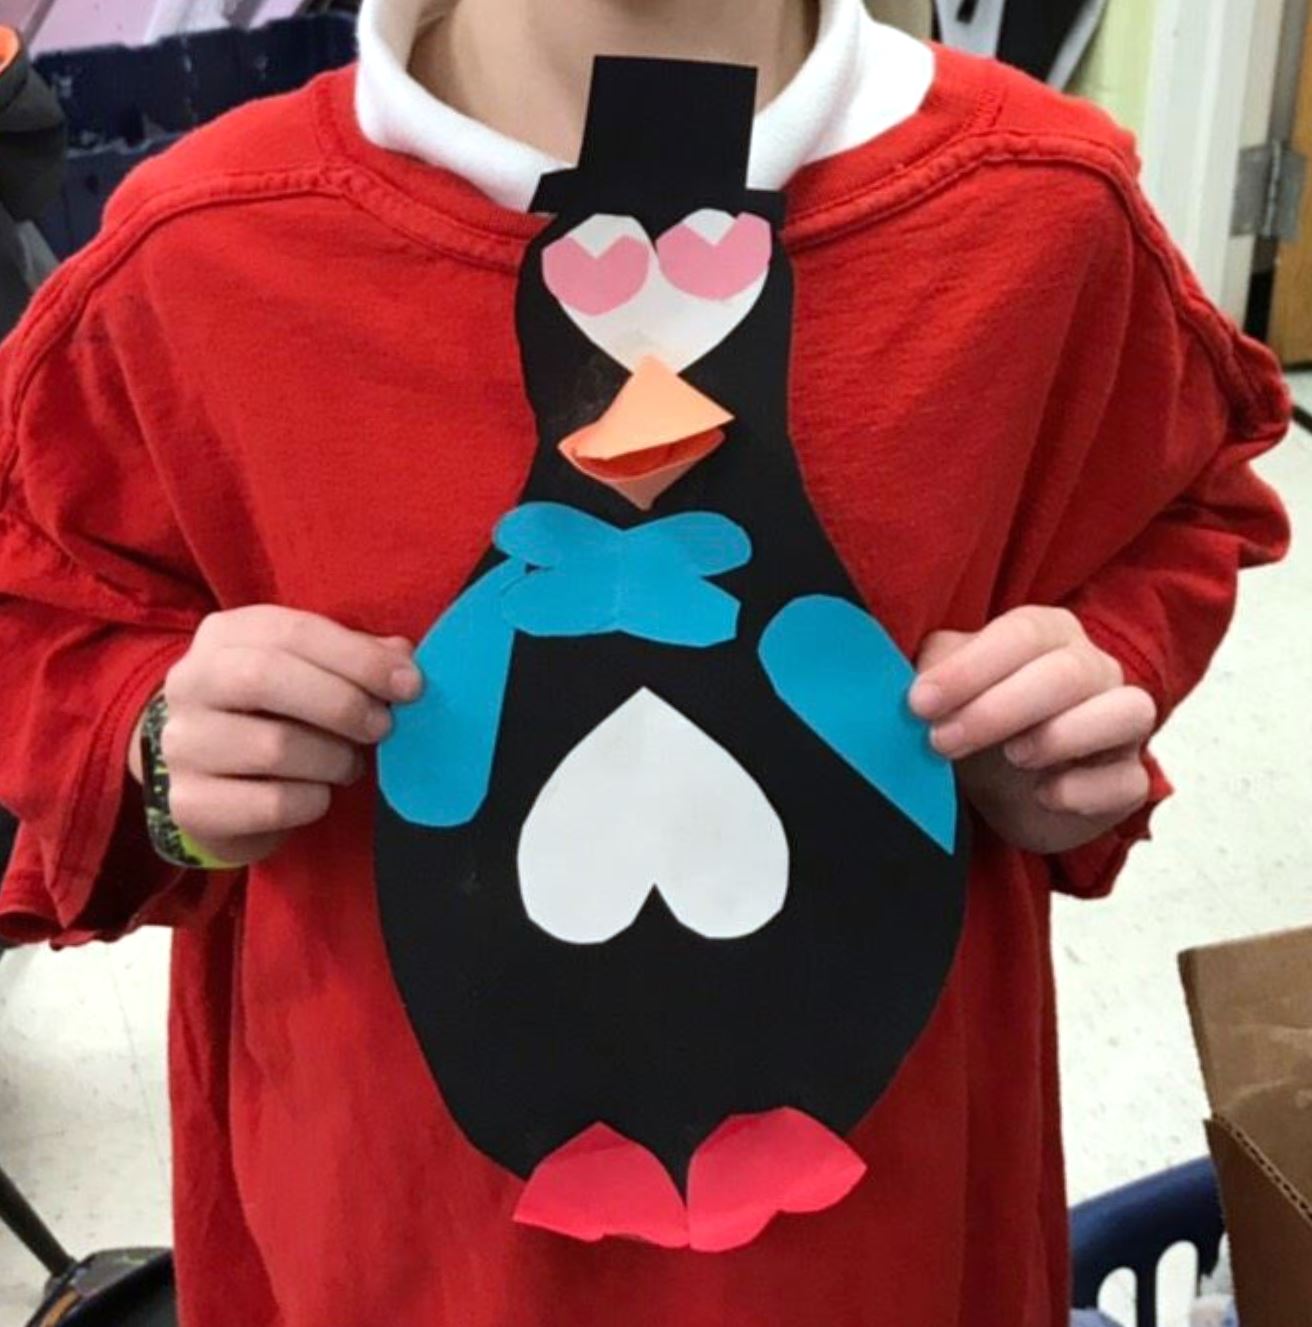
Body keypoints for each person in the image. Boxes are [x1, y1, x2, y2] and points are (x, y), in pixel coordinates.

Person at [0, 0, 1290, 1324]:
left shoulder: (1041, 213)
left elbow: (1182, 506)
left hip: (880, 1242)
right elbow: (40, 602)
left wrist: (1081, 689)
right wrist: (151, 743)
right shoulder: (202, 252)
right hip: (401, 1248)